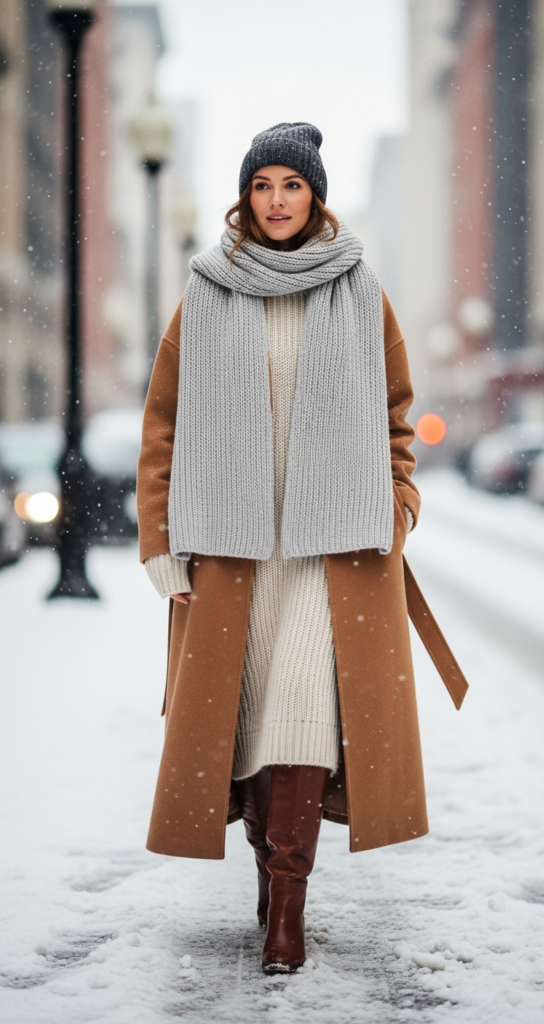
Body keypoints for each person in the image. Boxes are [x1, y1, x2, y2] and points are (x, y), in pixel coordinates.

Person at [137, 122, 463, 975]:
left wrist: (396, 504)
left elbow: (398, 418)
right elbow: (162, 432)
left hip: (334, 556)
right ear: (244, 196)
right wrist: (163, 545)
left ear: (315, 195)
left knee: (301, 725)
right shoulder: (206, 292)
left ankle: (289, 909)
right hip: (236, 555)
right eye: (262, 185)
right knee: (245, 731)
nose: (276, 200)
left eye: (292, 185)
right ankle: (267, 877)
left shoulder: (360, 291)